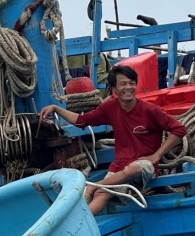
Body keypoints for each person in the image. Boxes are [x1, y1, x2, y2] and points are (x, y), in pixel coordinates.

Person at [39, 65, 187, 215]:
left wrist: (157, 155)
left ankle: (92, 186)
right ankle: (75, 222)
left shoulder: (150, 110)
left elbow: (179, 129)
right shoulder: (110, 108)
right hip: (119, 167)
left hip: (144, 167)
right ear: (114, 89)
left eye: (132, 83)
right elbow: (81, 120)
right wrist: (56, 109)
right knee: (101, 194)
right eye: (123, 84)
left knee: (133, 168)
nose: (128, 87)